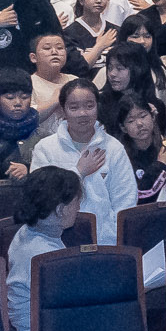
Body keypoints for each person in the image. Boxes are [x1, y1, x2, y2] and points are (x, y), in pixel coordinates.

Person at [29, 79, 137, 233]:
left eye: (89, 106)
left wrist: (113, 238)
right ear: (62, 110)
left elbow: (126, 201)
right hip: (57, 240)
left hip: (105, 240)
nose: (83, 113)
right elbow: (40, 198)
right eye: (74, 107)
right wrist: (79, 171)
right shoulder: (45, 148)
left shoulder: (113, 148)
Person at [6, 166, 84, 331]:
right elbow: (72, 309)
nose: (79, 207)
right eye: (76, 202)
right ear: (60, 209)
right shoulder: (46, 257)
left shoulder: (28, 232)